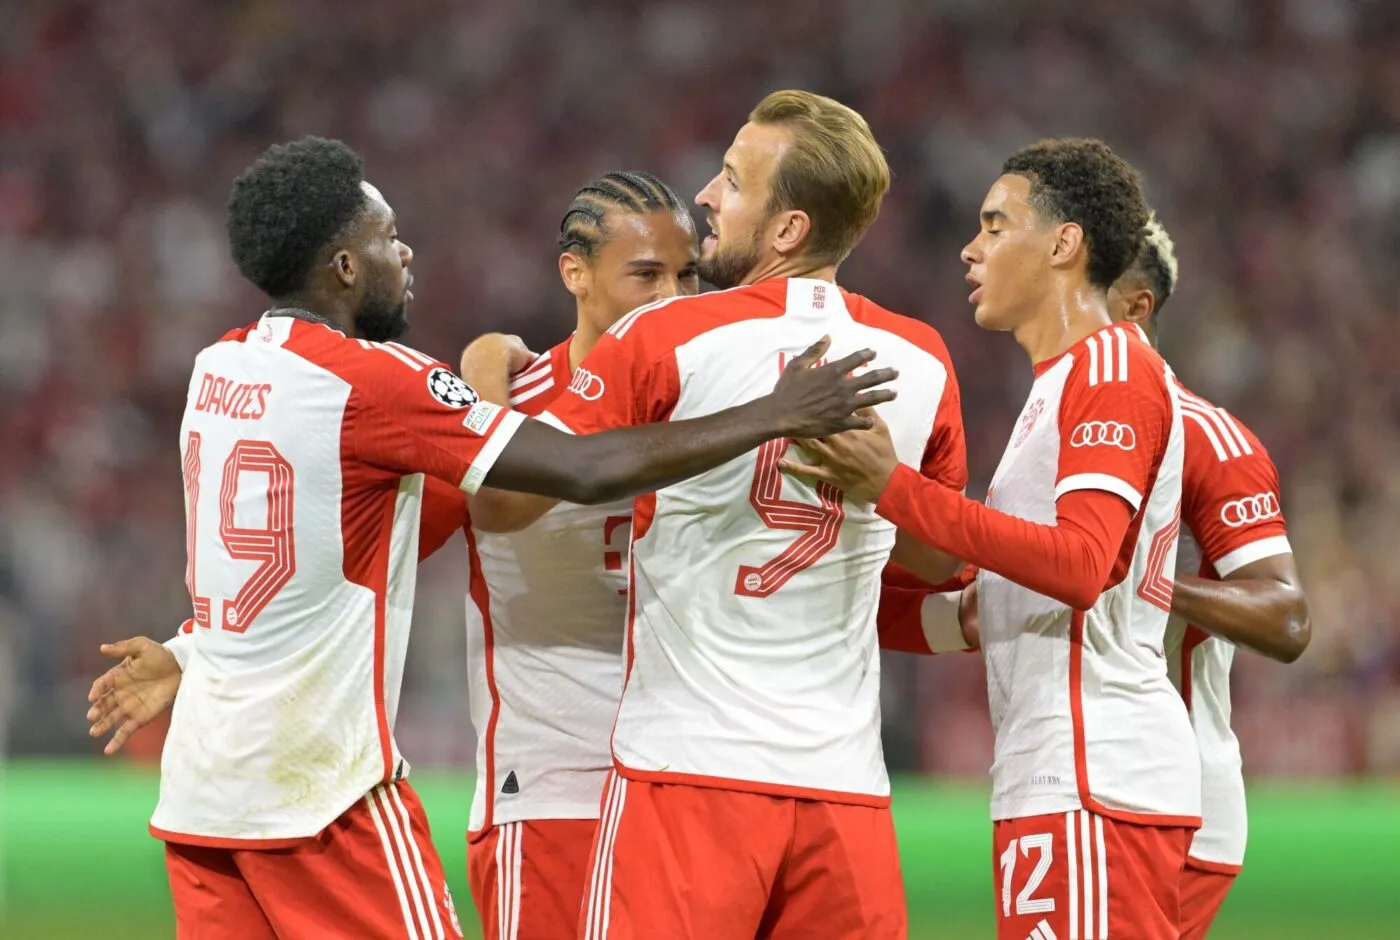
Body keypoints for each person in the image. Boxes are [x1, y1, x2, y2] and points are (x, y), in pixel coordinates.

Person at [84, 136, 894, 940]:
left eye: (686, 275)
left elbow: (295, 552)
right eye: (388, 238)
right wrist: (776, 412)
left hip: (205, 797)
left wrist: (191, 649)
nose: (406, 253)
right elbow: (573, 469)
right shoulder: (378, 384)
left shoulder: (219, 368)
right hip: (327, 796)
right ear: (345, 267)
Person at [466, 89, 967, 940]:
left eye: (732, 182)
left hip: (688, 774)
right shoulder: (921, 357)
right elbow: (939, 560)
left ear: (787, 229)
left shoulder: (666, 336)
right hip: (844, 788)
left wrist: (482, 370)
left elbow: (506, 498)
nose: (706, 195)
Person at [787, 138, 1200, 939]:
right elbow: (993, 607)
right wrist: (822, 598)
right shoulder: (1059, 385)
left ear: (1063, 244)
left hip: (1095, 774)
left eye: (995, 225)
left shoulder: (1112, 367)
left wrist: (893, 487)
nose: (970, 249)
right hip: (1060, 777)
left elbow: (1080, 566)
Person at [459, 171, 701, 940]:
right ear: (576, 274)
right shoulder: (512, 404)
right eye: (646, 275)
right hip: (553, 787)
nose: (673, 299)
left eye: (688, 275)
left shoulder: (718, 405)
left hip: (690, 784)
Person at [1106, 217, 1312, 938]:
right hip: (1080, 780)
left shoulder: (1203, 436)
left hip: (1172, 803)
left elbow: (1287, 617)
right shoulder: (1054, 427)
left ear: (1134, 306)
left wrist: (1145, 578)